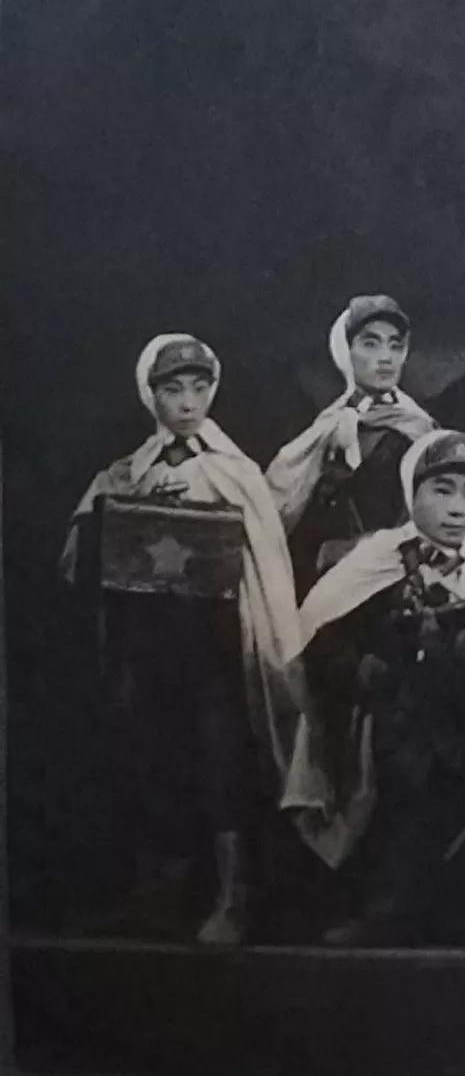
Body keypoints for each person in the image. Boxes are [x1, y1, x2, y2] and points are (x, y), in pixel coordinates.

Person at [61, 335, 303, 945]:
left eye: (199, 388)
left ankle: (233, 894)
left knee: (222, 759)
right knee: (154, 759)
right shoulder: (127, 472)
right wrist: (120, 515)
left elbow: (264, 558)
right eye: (173, 390)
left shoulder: (235, 471)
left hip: (214, 646)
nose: (188, 403)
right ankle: (162, 893)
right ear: (152, 396)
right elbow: (78, 554)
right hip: (149, 645)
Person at [285, 429, 465, 949]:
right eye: (442, 490)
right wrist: (363, 666)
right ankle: (388, 907)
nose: (457, 508)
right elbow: (320, 633)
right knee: (399, 763)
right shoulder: (379, 556)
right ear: (411, 491)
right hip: (395, 710)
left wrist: (460, 652)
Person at [268, 296, 435, 594]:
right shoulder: (328, 425)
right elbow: (282, 507)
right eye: (371, 344)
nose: (386, 358)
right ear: (346, 351)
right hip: (322, 579)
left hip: (393, 580)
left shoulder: (420, 430)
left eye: (395, 346)